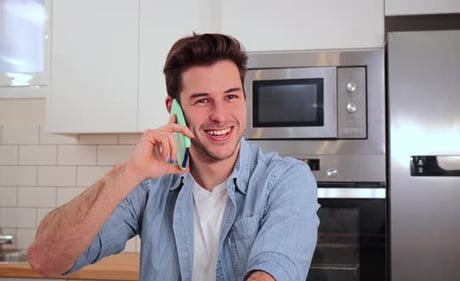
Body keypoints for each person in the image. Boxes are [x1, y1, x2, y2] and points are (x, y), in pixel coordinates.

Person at [27, 33, 320, 281]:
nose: (220, 116)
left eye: (231, 96)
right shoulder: (149, 184)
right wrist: (128, 171)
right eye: (202, 100)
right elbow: (45, 260)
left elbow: (272, 272)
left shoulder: (286, 179)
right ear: (174, 108)